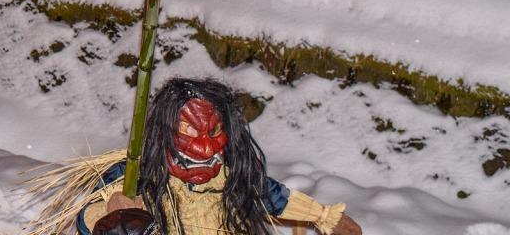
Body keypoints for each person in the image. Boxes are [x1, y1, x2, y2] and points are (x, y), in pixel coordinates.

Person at [28, 78, 361, 235]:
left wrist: (325, 217)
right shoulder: (137, 176)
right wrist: (113, 214)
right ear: (165, 133)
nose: (204, 148)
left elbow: (273, 196)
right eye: (188, 133)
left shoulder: (230, 175)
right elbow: (86, 220)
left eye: (213, 133)